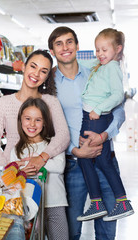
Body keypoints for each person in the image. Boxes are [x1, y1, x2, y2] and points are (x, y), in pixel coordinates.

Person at [48, 26, 126, 240]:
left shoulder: (97, 70)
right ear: (53, 51)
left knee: (107, 231)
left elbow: (119, 111)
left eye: (69, 41)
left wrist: (104, 136)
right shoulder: (50, 85)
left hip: (104, 157)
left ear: (77, 46)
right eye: (59, 43)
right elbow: (49, 127)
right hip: (73, 164)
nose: (65, 47)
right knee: (72, 231)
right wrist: (75, 149)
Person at [76, 28, 134, 222]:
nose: (100, 54)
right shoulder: (102, 64)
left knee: (95, 160)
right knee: (96, 160)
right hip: (91, 116)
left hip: (96, 117)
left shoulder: (112, 67)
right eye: (97, 50)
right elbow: (82, 62)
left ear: (117, 49)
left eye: (104, 50)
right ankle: (104, 203)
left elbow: (118, 95)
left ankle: (108, 203)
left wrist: (99, 109)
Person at [0, 50, 70, 175]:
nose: (36, 74)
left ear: (47, 77)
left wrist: (42, 158)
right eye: (33, 66)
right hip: (13, 170)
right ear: (24, 67)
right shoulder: (4, 102)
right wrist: (9, 168)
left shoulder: (51, 102)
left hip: (44, 170)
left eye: (43, 71)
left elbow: (63, 135)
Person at [10, 97, 68, 240]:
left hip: (55, 203)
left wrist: (33, 162)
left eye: (38, 120)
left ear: (45, 122)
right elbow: (12, 176)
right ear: (20, 120)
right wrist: (21, 170)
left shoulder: (54, 144)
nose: (32, 124)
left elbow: (59, 166)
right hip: (29, 206)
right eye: (28, 119)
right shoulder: (16, 150)